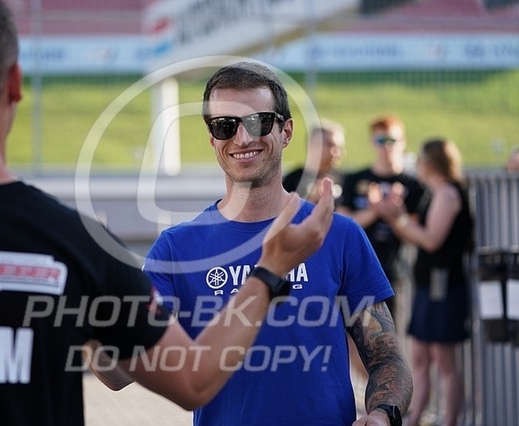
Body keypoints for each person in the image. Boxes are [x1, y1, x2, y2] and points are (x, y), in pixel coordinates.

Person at [0, 2, 336, 424]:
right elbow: (193, 381)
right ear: (15, 83)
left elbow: (119, 373)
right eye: (224, 126)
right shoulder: (75, 243)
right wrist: (269, 271)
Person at [143, 62, 412, 426]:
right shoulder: (176, 248)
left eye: (259, 122)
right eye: (225, 126)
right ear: (212, 139)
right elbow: (118, 366)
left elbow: (386, 357)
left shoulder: (339, 234)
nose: (242, 138)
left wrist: (382, 414)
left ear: (286, 131)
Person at [381, 138, 473, 426]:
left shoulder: (448, 193)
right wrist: (398, 218)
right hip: (428, 286)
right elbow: (416, 235)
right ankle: (415, 418)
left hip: (444, 287)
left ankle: (450, 420)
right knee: (420, 357)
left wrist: (399, 219)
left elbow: (432, 240)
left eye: (420, 160)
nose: (417, 166)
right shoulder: (435, 193)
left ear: (431, 163)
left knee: (444, 361)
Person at [337, 114, 426, 329]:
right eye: (381, 140)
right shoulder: (355, 179)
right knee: (354, 337)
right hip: (355, 271)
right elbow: (342, 225)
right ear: (372, 142)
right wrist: (374, 210)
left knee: (390, 336)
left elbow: (417, 234)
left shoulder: (412, 185)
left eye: (392, 140)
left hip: (393, 272)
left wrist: (396, 215)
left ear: (403, 142)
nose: (387, 147)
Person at [282, 118, 346, 203]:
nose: (337, 152)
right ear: (314, 145)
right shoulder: (293, 180)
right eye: (331, 145)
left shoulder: (346, 180)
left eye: (340, 148)